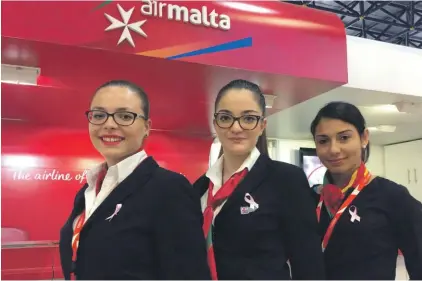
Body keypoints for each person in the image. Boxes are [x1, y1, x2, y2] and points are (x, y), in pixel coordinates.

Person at [59, 80, 211, 280]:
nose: (109, 124)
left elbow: (190, 274)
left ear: (147, 127)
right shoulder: (88, 191)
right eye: (99, 115)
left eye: (124, 116)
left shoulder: (169, 189)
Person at [194, 79, 325, 280]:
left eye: (248, 118)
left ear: (262, 125)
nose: (236, 128)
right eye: (226, 117)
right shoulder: (199, 188)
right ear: (215, 123)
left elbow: (308, 262)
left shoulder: (286, 180)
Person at [310, 101, 422, 280]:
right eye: (323, 141)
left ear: (364, 138)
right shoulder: (308, 199)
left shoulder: (393, 197)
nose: (333, 149)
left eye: (344, 137)